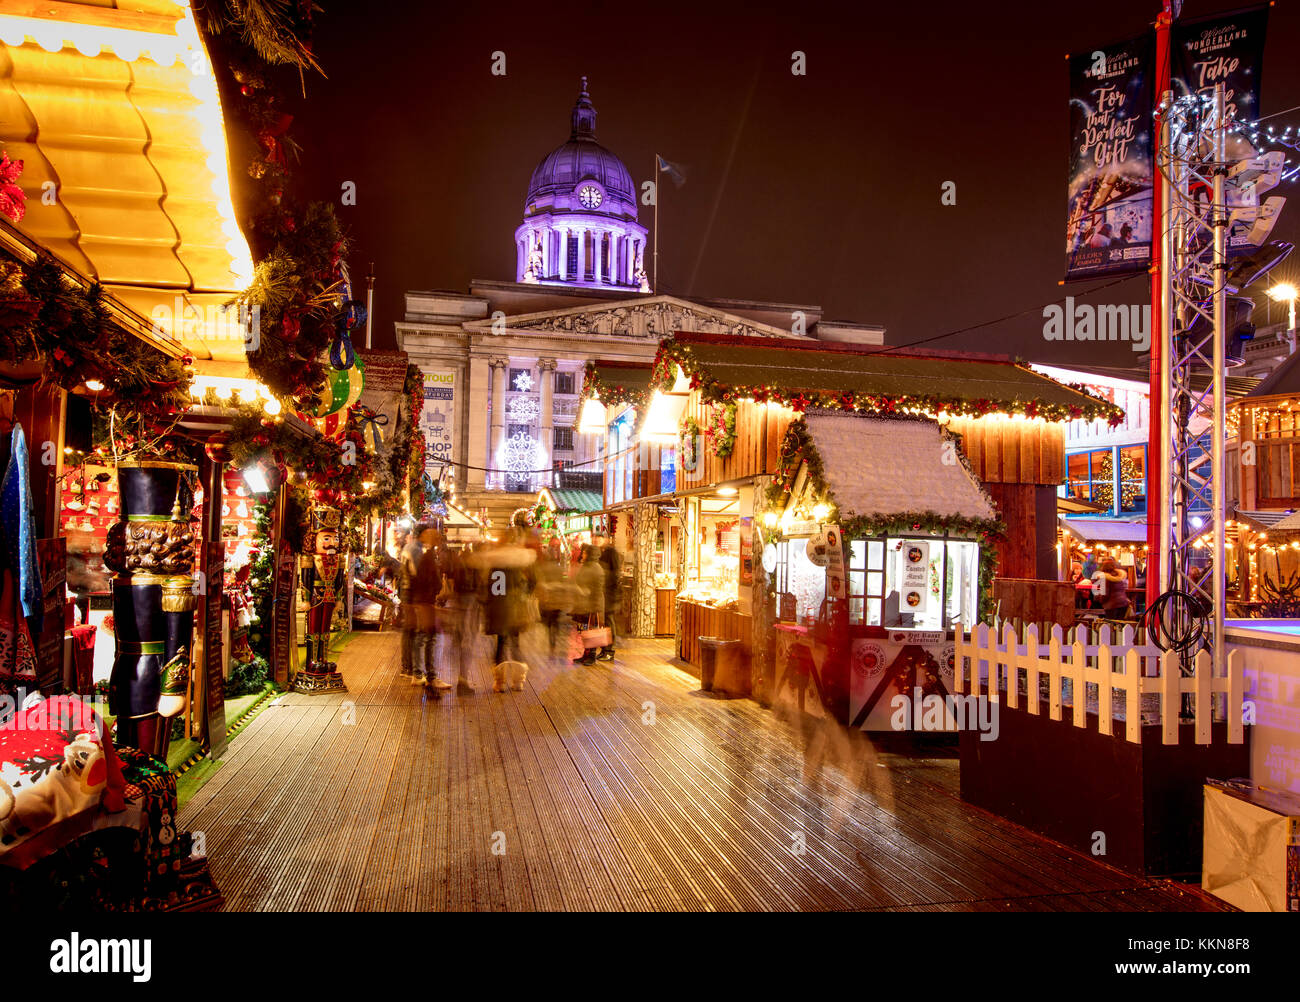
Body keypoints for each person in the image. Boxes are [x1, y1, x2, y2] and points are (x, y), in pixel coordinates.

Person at [479, 529, 537, 691]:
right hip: (518, 608)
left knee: (501, 644)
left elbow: (494, 589)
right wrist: (523, 594)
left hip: (500, 609)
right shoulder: (523, 561)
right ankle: (518, 682)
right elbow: (533, 582)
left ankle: (500, 683)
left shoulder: (497, 561)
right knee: (516, 644)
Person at [410, 526, 450, 696]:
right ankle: (430, 676)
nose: (440, 541)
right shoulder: (428, 557)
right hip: (425, 602)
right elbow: (426, 580)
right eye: (438, 538)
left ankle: (422, 674)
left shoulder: (427, 556)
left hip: (424, 601)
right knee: (429, 637)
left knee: (425, 637)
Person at [572, 543, 606, 666]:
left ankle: (591, 656)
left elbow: (592, 587)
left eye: (586, 552)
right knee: (586, 630)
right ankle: (586, 654)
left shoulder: (595, 568)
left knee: (592, 630)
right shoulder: (588, 566)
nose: (583, 554)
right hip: (587, 603)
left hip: (593, 604)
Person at [396, 526, 421, 677]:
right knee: (410, 630)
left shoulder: (408, 548)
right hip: (411, 593)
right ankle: (408, 667)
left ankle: (408, 666)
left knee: (409, 630)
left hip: (407, 592)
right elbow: (416, 573)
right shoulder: (414, 549)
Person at [594, 532, 622, 662]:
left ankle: (609, 651)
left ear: (604, 539)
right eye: (594, 538)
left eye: (598, 538)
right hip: (603, 594)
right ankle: (605, 649)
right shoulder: (600, 552)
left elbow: (615, 573)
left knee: (609, 622)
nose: (596, 540)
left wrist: (608, 585)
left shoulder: (610, 552)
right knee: (604, 622)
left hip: (609, 595)